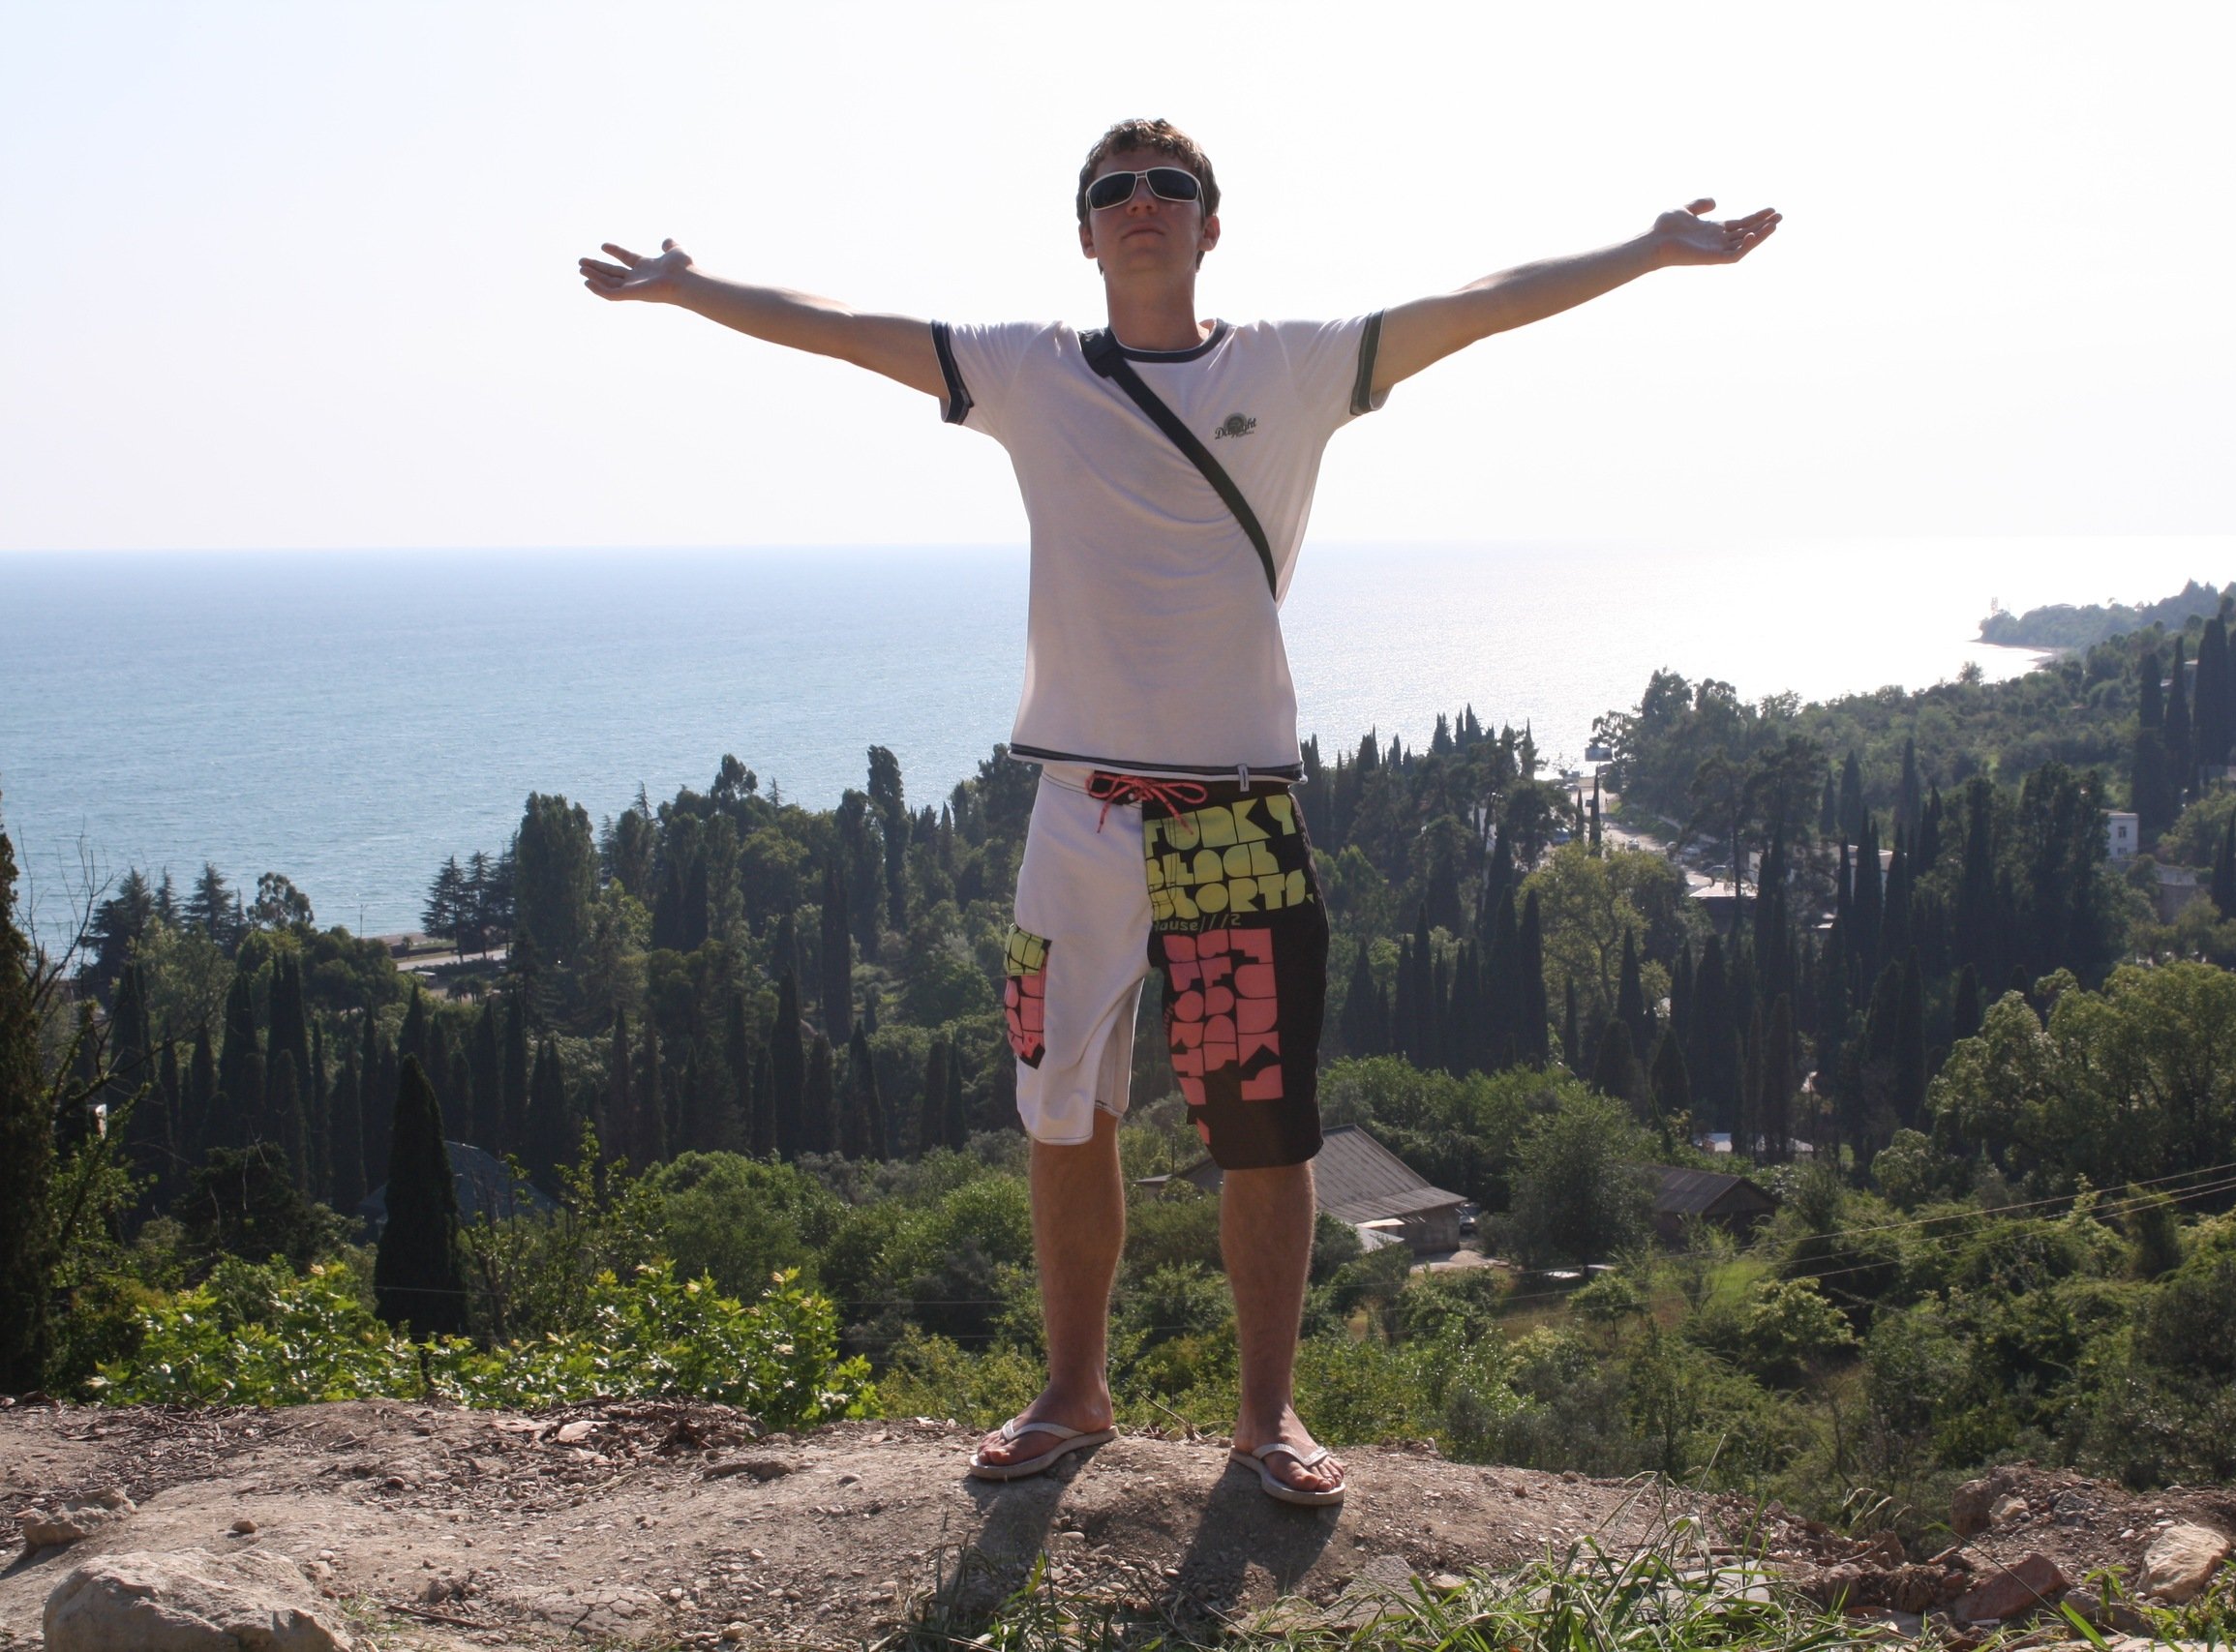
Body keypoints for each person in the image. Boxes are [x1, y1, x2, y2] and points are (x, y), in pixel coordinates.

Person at [582, 117, 1777, 1506]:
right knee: (1060, 1111)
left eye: (1170, 187)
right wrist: (693, 287)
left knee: (1265, 1129)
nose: (1141, 203)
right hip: (1075, 812)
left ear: (1212, 224)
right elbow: (847, 330)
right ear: (1084, 231)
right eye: (1115, 190)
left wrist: (1647, 249)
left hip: (1234, 816)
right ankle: (1072, 1394)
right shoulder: (1026, 369)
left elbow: (1475, 307)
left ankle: (1267, 1421)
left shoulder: (1291, 366)